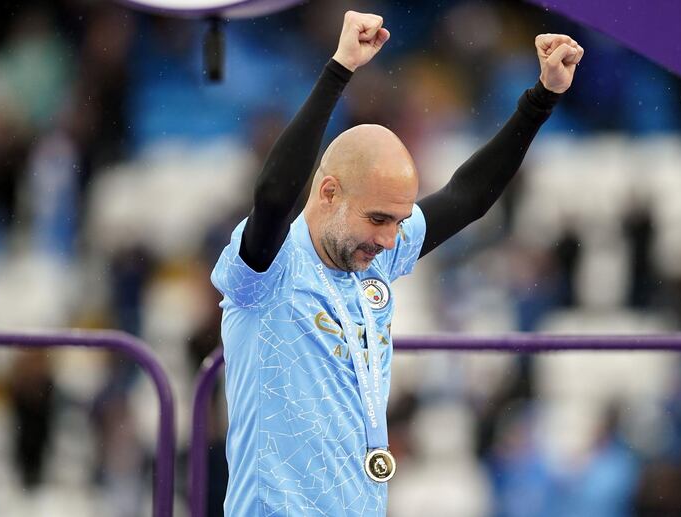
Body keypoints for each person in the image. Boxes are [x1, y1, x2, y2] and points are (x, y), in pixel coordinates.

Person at [211, 10, 583, 516]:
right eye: (379, 219)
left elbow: (468, 196)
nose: (392, 241)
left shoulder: (373, 261)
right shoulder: (268, 268)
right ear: (327, 193)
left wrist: (541, 98)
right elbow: (276, 194)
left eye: (399, 222)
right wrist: (340, 69)